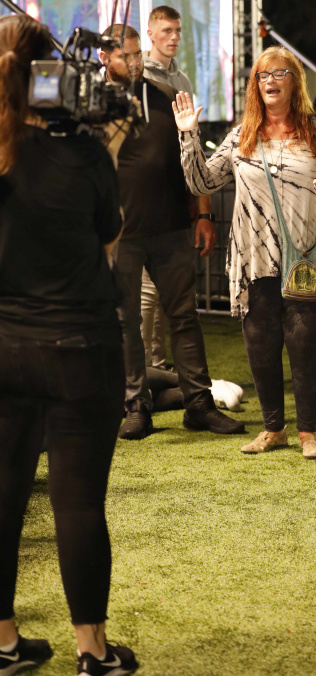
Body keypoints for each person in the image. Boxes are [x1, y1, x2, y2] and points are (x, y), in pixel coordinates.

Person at [0, 15, 138, 675]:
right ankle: (93, 651)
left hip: (4, 345)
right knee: (78, 503)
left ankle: (3, 643)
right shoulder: (81, 153)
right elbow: (109, 238)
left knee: (3, 495)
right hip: (80, 346)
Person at [173, 45, 316, 459]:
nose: (270, 81)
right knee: (261, 340)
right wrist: (188, 135)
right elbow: (201, 183)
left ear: (295, 82)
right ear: (255, 85)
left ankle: (308, 433)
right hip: (254, 254)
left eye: (280, 73)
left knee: (304, 340)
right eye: (263, 75)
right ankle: (273, 429)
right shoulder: (241, 133)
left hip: (304, 252)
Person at [101, 24, 243, 440]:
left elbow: (190, 160)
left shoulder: (165, 96)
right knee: (126, 322)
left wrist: (204, 214)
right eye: (124, 56)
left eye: (136, 54)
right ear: (104, 58)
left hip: (171, 227)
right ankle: (136, 407)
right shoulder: (90, 104)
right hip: (119, 234)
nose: (133, 63)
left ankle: (199, 404)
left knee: (184, 317)